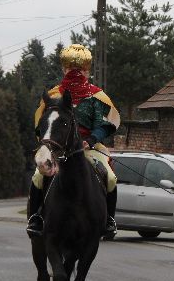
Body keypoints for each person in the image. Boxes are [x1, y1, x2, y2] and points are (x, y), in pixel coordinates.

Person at [26, 44, 121, 239]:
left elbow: (106, 123)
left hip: (89, 148)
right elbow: (41, 124)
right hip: (57, 149)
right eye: (71, 69)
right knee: (38, 175)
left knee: (110, 177)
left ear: (87, 71)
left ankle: (109, 219)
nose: (75, 73)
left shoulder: (97, 96)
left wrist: (92, 139)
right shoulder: (53, 95)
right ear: (63, 69)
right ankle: (36, 217)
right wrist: (48, 145)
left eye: (80, 70)